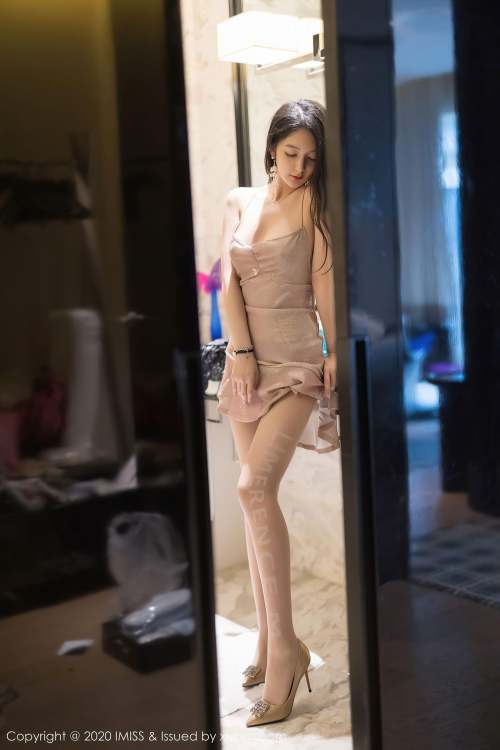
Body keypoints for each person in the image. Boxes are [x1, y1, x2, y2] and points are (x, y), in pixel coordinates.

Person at [216, 99, 340, 727]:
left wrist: (334, 353)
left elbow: (325, 288)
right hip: (245, 366)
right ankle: (269, 644)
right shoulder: (239, 201)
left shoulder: (314, 206)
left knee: (252, 487)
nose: (299, 167)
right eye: (291, 153)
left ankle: (287, 653)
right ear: (271, 149)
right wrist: (239, 354)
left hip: (295, 364)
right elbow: (226, 285)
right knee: (251, 503)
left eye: (310, 158)